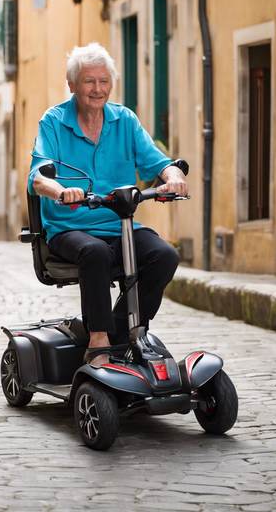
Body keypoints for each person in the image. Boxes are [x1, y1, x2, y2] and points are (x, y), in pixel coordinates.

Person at [28, 43, 188, 368]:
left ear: (111, 83)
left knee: (164, 255)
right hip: (69, 227)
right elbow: (37, 177)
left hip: (119, 225)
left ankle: (125, 333)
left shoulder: (124, 120)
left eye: (104, 81)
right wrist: (61, 191)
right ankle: (98, 341)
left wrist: (173, 177)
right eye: (88, 81)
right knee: (96, 252)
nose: (97, 89)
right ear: (72, 85)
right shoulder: (54, 121)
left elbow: (159, 162)